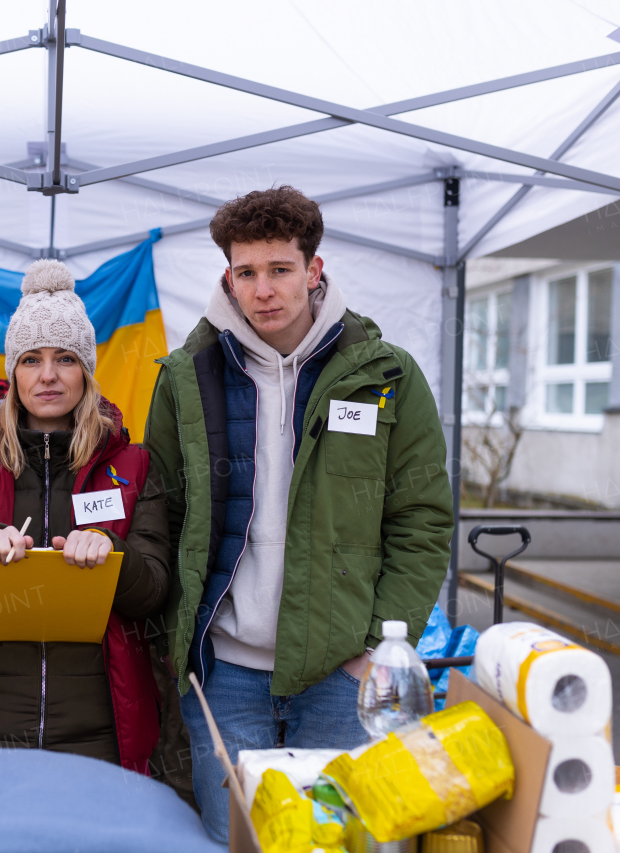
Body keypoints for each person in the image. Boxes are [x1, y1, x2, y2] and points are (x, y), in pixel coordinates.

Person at [143, 186, 455, 840]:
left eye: (280, 269)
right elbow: (161, 513)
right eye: (247, 272)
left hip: (343, 675)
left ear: (314, 270)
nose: (263, 289)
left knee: (345, 839)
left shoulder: (386, 377)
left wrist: (373, 644)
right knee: (234, 839)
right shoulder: (184, 378)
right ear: (227, 275)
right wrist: (180, 644)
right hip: (223, 673)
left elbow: (421, 522)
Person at [0, 260, 170, 773]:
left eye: (66, 358)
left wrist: (112, 552)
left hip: (99, 728)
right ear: (13, 372)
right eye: (31, 359)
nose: (49, 375)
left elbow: (156, 591)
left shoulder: (133, 465)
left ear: (88, 371)